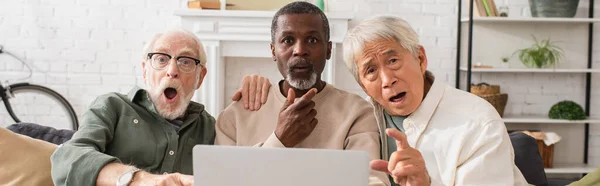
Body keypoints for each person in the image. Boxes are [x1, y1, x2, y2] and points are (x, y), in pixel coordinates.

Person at [50, 28, 271, 186]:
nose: (172, 70)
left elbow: (244, 171)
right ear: (146, 70)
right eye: (161, 59)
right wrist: (140, 179)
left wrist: (260, 94)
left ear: (200, 77)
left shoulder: (210, 129)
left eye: (185, 61)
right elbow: (68, 158)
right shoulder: (112, 107)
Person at [214, 2, 389, 186]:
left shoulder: (357, 112)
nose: (300, 50)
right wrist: (279, 141)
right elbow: (221, 181)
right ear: (273, 50)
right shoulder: (236, 115)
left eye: (312, 40)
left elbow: (371, 179)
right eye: (288, 40)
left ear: (328, 50)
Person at [342, 15, 528, 186]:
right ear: (363, 86)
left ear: (421, 59)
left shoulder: (479, 121)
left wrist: (427, 183)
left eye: (392, 61)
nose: (387, 80)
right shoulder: (358, 120)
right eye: (371, 71)